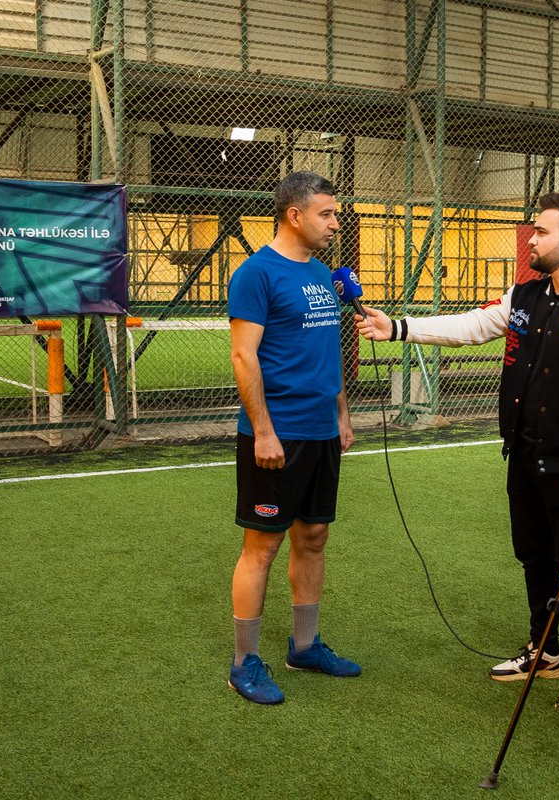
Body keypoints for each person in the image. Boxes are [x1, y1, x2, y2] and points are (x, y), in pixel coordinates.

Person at [355, 193, 559, 711]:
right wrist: (398, 328)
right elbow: (471, 326)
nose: (532, 239)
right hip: (524, 455)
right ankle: (546, 651)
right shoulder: (526, 296)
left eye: (542, 232)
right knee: (533, 554)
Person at [226, 171, 360, 706]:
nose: (335, 222)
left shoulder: (325, 274)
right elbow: (243, 356)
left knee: (314, 538)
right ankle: (244, 663)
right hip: (275, 436)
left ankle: (304, 646)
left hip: (322, 431)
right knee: (262, 545)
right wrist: (263, 431)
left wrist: (342, 414)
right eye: (327, 213)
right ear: (294, 215)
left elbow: (327, 354)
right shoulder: (256, 274)